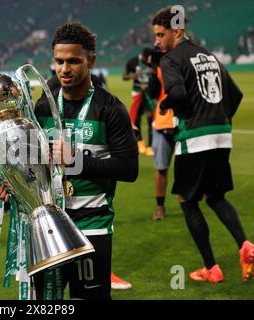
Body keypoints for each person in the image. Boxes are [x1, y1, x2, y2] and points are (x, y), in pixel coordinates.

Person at [0, 22, 138, 300]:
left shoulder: (111, 108)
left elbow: (129, 169)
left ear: (91, 60)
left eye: (73, 61)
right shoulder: (43, 106)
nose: (64, 69)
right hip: (47, 224)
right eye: (59, 61)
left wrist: (77, 161)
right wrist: (14, 187)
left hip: (91, 225)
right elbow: (33, 165)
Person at [153, 6, 254, 283]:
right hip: (222, 134)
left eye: (161, 35)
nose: (157, 42)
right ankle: (246, 246)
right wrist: (219, 119)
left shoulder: (171, 58)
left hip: (195, 137)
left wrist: (165, 104)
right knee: (216, 196)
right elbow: (236, 94)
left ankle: (212, 268)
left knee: (187, 200)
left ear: (178, 31)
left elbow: (178, 92)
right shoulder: (208, 55)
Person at [146, 48, 176, 221]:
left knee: (181, 169)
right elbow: (152, 93)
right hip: (163, 124)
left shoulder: (180, 68)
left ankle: (184, 202)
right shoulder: (157, 71)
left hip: (179, 124)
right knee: (162, 168)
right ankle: (160, 206)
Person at [123, 48, 155, 156]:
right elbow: (124, 76)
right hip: (137, 92)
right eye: (147, 58)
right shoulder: (133, 62)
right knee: (137, 118)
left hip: (149, 93)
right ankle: (139, 141)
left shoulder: (153, 62)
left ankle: (150, 145)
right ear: (144, 56)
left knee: (151, 118)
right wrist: (133, 76)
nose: (149, 60)